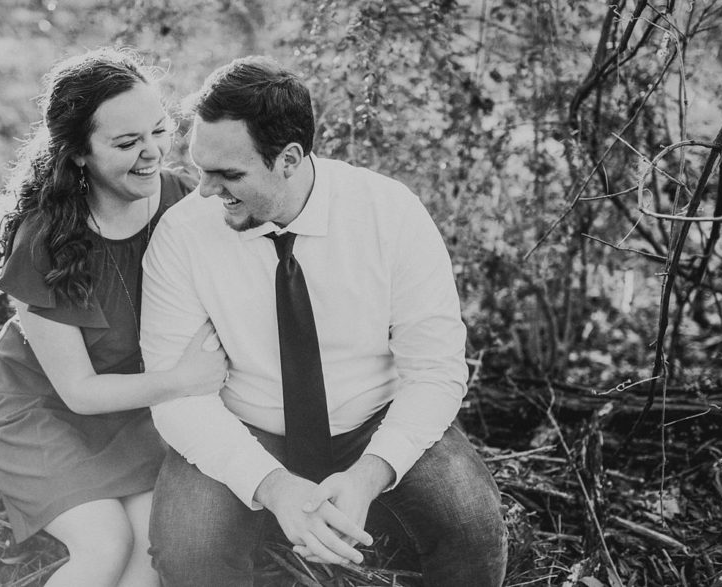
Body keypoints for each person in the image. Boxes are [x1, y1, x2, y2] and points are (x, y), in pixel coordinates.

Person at [141, 56, 507, 587]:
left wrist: (369, 475)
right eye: (201, 167)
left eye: (229, 174)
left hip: (374, 418)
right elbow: (175, 398)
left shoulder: (389, 213)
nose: (205, 190)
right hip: (246, 424)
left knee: (473, 525)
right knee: (187, 549)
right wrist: (271, 485)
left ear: (289, 158)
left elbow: (436, 371)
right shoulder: (182, 235)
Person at [0, 47, 227, 587]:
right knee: (105, 544)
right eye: (127, 143)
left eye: (159, 130)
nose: (152, 152)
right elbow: (79, 392)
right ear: (79, 154)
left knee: (149, 554)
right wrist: (183, 380)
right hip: (44, 409)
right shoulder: (46, 238)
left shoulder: (185, 202)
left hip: (134, 409)